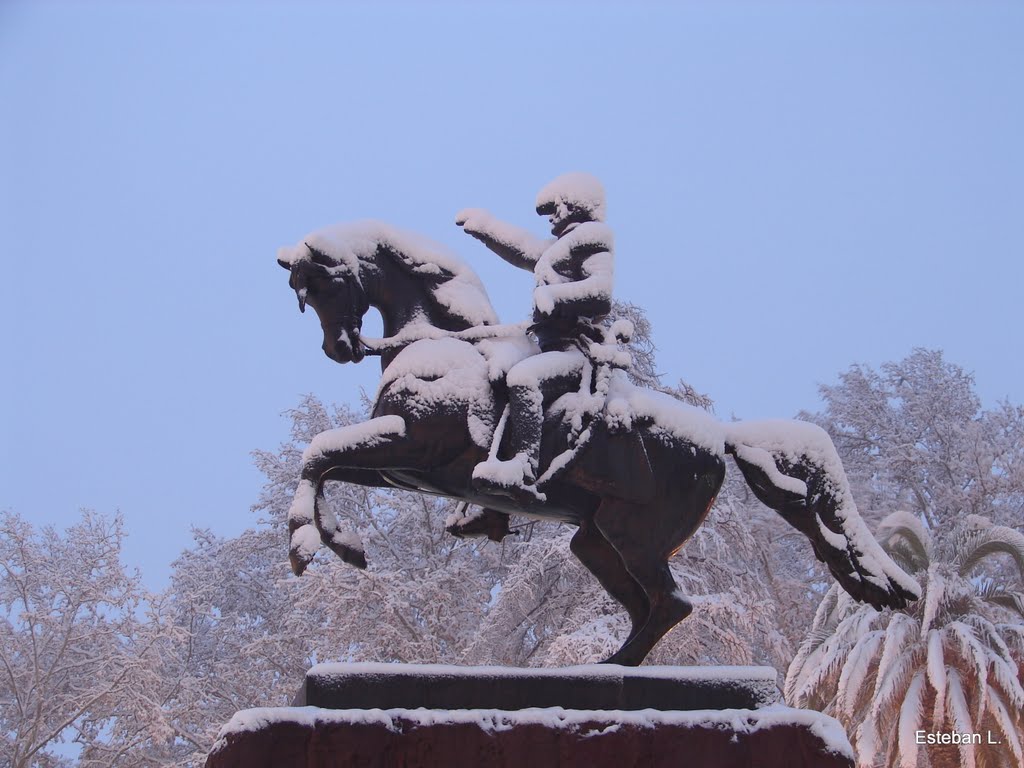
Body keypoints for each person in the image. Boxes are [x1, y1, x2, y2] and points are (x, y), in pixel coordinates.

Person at [456, 172, 614, 502]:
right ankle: (492, 497)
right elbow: (523, 248)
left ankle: (523, 467)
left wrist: (558, 297)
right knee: (494, 375)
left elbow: (601, 292)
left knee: (524, 379)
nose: (553, 216)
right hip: (548, 348)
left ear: (577, 205)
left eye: (557, 207)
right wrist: (485, 227)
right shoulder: (557, 249)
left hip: (576, 352)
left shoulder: (594, 238)